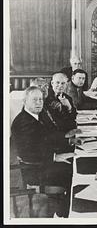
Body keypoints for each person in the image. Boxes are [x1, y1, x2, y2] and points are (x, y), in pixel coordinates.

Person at [10, 86, 77, 217]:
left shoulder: (36, 115)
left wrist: (70, 141)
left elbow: (50, 136)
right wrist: (55, 157)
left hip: (44, 159)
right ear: (25, 101)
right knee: (72, 171)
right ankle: (65, 215)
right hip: (35, 169)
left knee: (78, 160)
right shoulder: (23, 122)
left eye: (40, 99)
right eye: (34, 100)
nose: (39, 103)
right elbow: (28, 154)